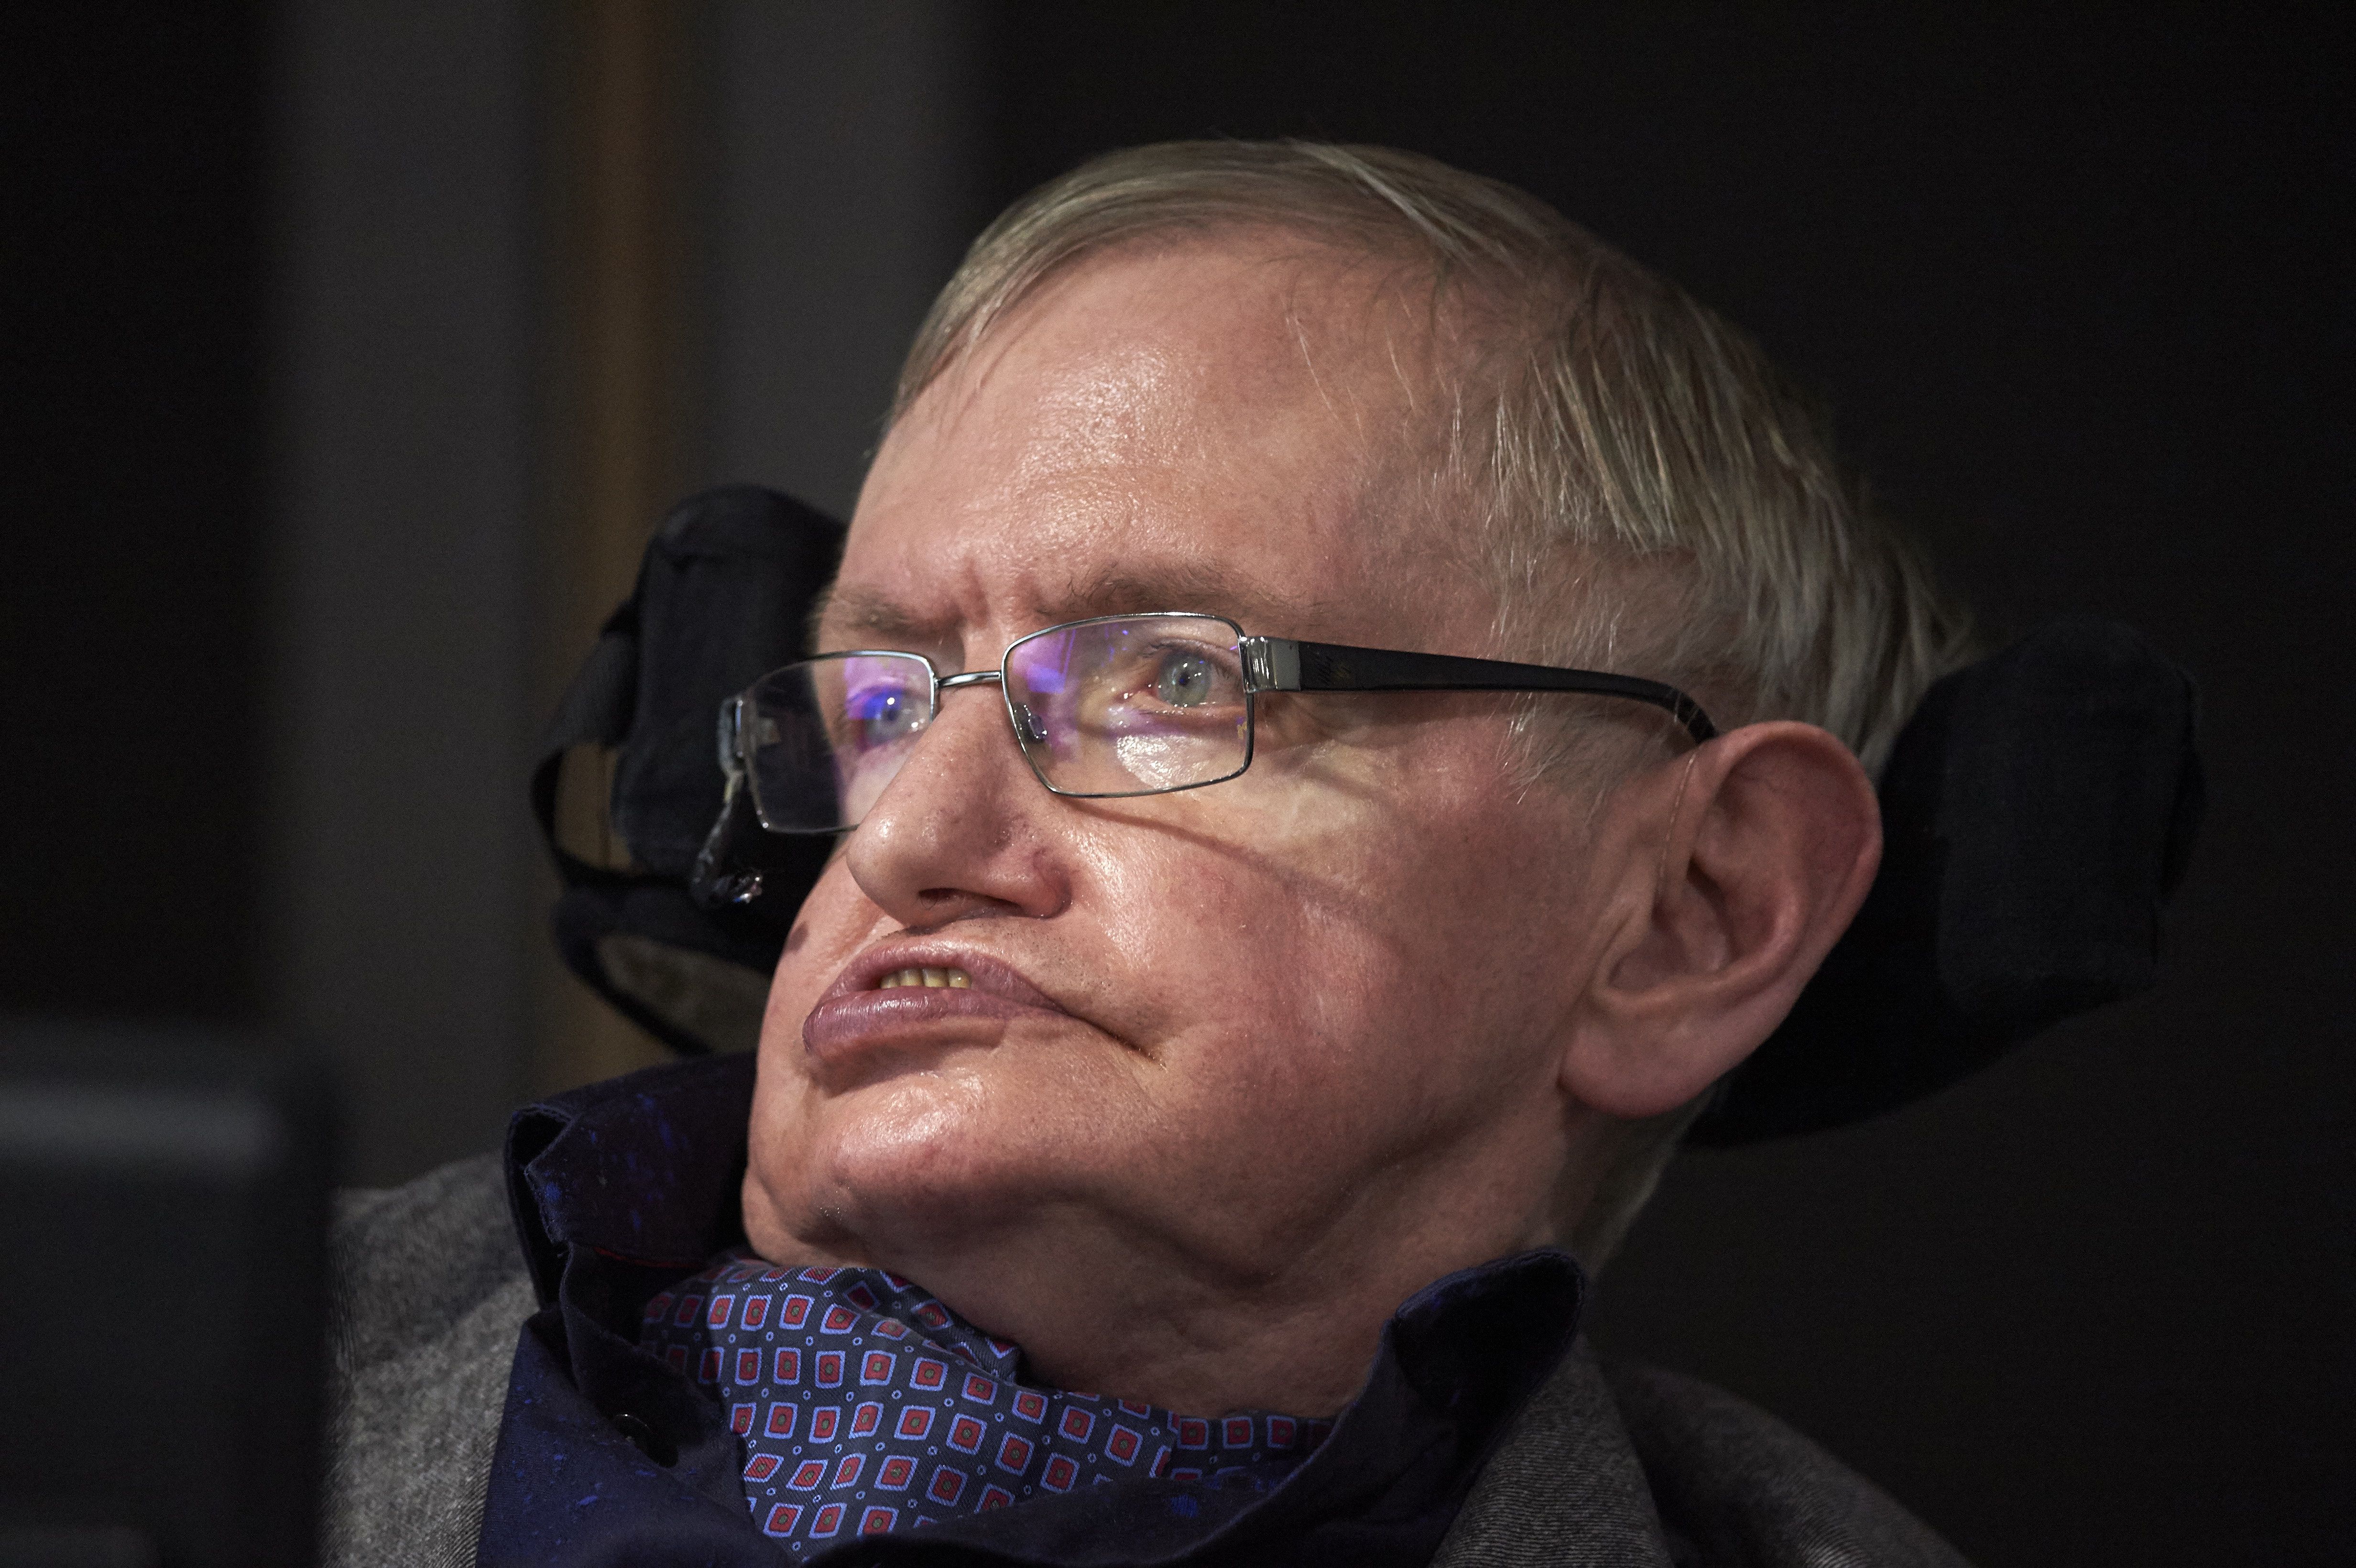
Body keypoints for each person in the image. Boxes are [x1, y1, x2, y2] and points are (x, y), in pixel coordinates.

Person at [326, 141, 1975, 1566]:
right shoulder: (159, 1375)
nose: (904, 840)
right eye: (886, 706)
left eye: (1170, 682)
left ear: (1691, 913)